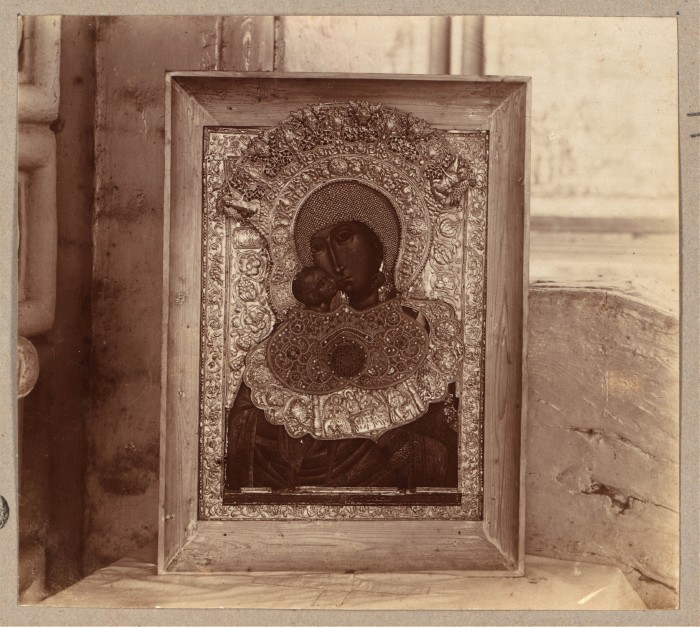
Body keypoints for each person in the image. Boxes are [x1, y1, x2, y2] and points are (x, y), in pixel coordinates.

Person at [225, 181, 458, 492]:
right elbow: (244, 431)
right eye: (318, 247)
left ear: (379, 242)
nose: (334, 261)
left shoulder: (423, 326)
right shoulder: (292, 339)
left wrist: (385, 439)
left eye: (344, 238)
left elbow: (448, 446)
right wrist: (303, 431)